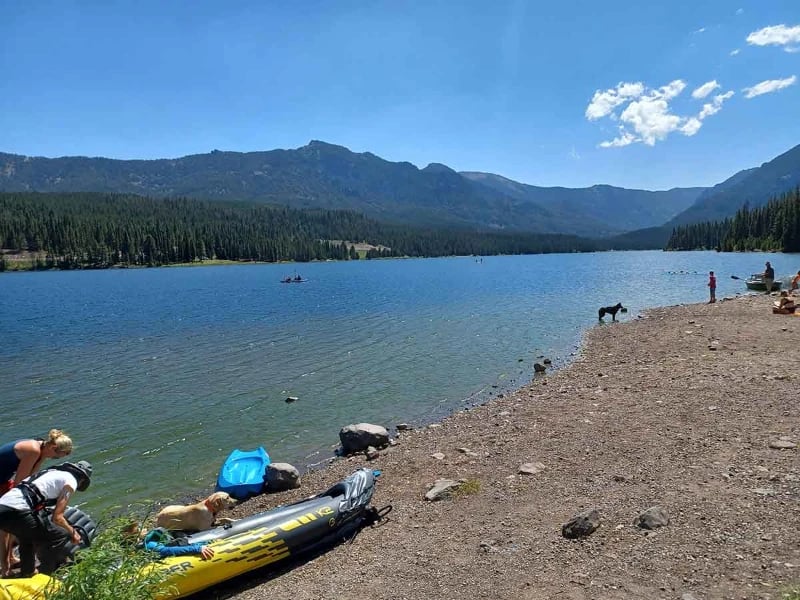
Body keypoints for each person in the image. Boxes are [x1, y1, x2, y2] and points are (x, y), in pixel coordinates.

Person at [0, 461, 91, 577]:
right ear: (82, 480)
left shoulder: (51, 473)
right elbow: (57, 518)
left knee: (26, 533)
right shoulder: (71, 481)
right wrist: (73, 532)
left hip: (4, 505)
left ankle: (28, 571)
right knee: (59, 535)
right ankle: (45, 571)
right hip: (18, 509)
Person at [0, 429, 73, 575]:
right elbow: (20, 483)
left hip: (3, 479)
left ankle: (12, 558)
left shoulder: (40, 450)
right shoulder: (33, 450)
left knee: (13, 522)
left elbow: (31, 477)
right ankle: (5, 566)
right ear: (53, 448)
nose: (55, 460)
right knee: (4, 527)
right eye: (56, 457)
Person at [141, 526, 215, 560]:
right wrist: (197, 549)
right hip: (169, 552)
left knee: (180, 538)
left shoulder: (147, 539)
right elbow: (167, 551)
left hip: (170, 542)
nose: (145, 528)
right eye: (140, 528)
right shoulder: (149, 544)